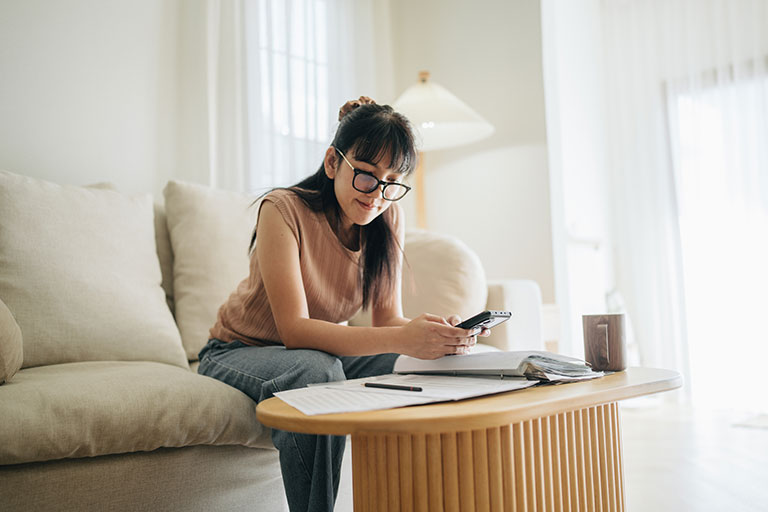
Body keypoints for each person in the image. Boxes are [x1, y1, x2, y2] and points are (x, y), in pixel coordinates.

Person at [197, 97, 487, 512]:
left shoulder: (387, 217)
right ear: (333, 163)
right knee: (319, 370)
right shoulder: (283, 210)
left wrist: (434, 336)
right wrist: (401, 337)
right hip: (241, 351)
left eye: (392, 182)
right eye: (367, 177)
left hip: (317, 352)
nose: (378, 196)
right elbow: (294, 330)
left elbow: (388, 319)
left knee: (435, 365)